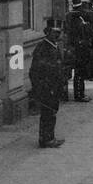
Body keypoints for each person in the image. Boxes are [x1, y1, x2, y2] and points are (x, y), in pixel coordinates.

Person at [30, 19, 66, 148]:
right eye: (55, 32)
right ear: (47, 32)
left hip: (53, 87)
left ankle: (50, 137)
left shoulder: (53, 45)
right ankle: (46, 139)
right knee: (48, 113)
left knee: (51, 112)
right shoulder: (43, 47)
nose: (58, 35)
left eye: (59, 32)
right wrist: (42, 87)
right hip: (47, 87)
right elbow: (36, 71)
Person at [64, 0, 93, 103]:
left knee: (76, 73)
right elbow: (86, 32)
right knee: (80, 73)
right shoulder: (79, 18)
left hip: (71, 49)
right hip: (79, 49)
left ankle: (78, 94)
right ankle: (79, 95)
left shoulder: (68, 16)